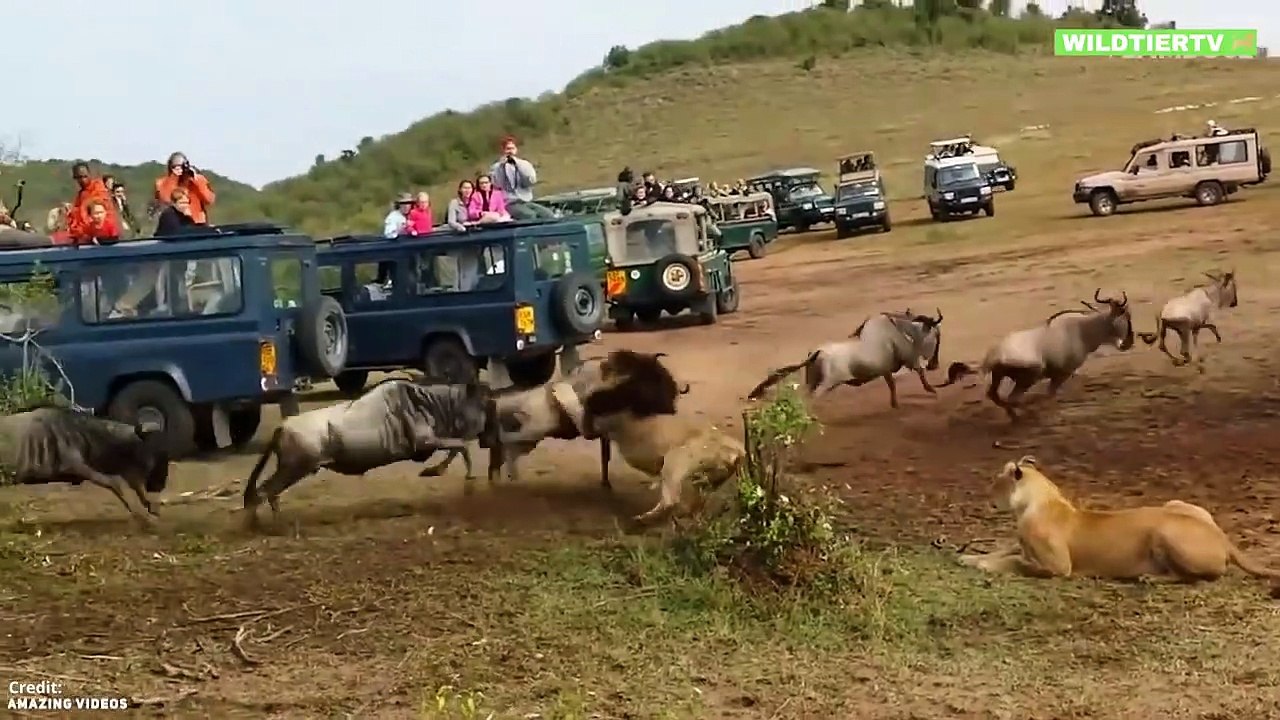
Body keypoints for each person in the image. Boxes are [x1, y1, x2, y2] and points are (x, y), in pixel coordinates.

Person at [154, 152, 216, 224]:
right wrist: (174, 177)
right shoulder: (162, 183)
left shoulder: (198, 180)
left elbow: (209, 200)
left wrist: (197, 181)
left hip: (198, 223)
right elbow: (166, 199)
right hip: (175, 223)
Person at [67, 162, 118, 241]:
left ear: (90, 174)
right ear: (75, 178)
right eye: (79, 177)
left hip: (101, 234)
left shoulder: (99, 189)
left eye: (85, 176)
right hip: (84, 236)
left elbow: (94, 214)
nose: (83, 180)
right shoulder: (81, 195)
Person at [489, 135, 537, 202]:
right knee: (529, 213)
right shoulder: (496, 167)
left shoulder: (525, 164)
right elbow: (496, 185)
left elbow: (531, 181)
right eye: (508, 149)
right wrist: (502, 166)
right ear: (503, 150)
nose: (510, 151)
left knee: (546, 212)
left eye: (512, 148)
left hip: (525, 199)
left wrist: (518, 164)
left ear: (516, 149)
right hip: (508, 200)